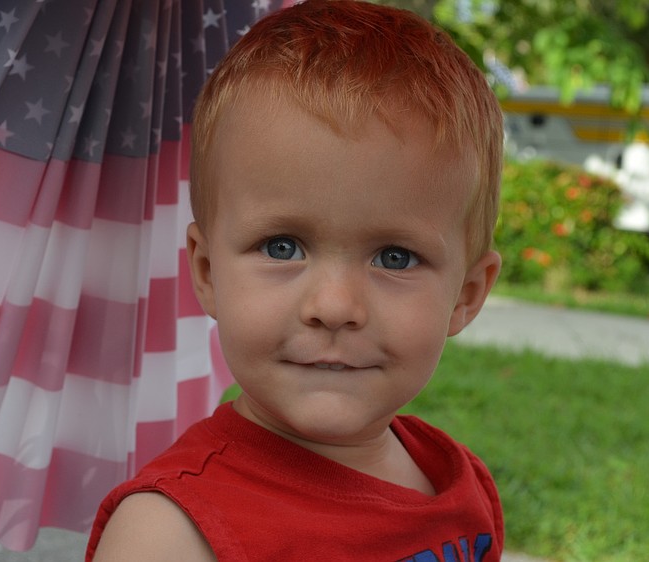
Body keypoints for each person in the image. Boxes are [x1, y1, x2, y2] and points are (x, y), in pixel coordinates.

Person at [87, 1, 504, 560]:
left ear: (468, 294)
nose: (334, 306)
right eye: (282, 247)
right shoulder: (171, 534)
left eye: (395, 258)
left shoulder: (460, 484)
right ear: (208, 272)